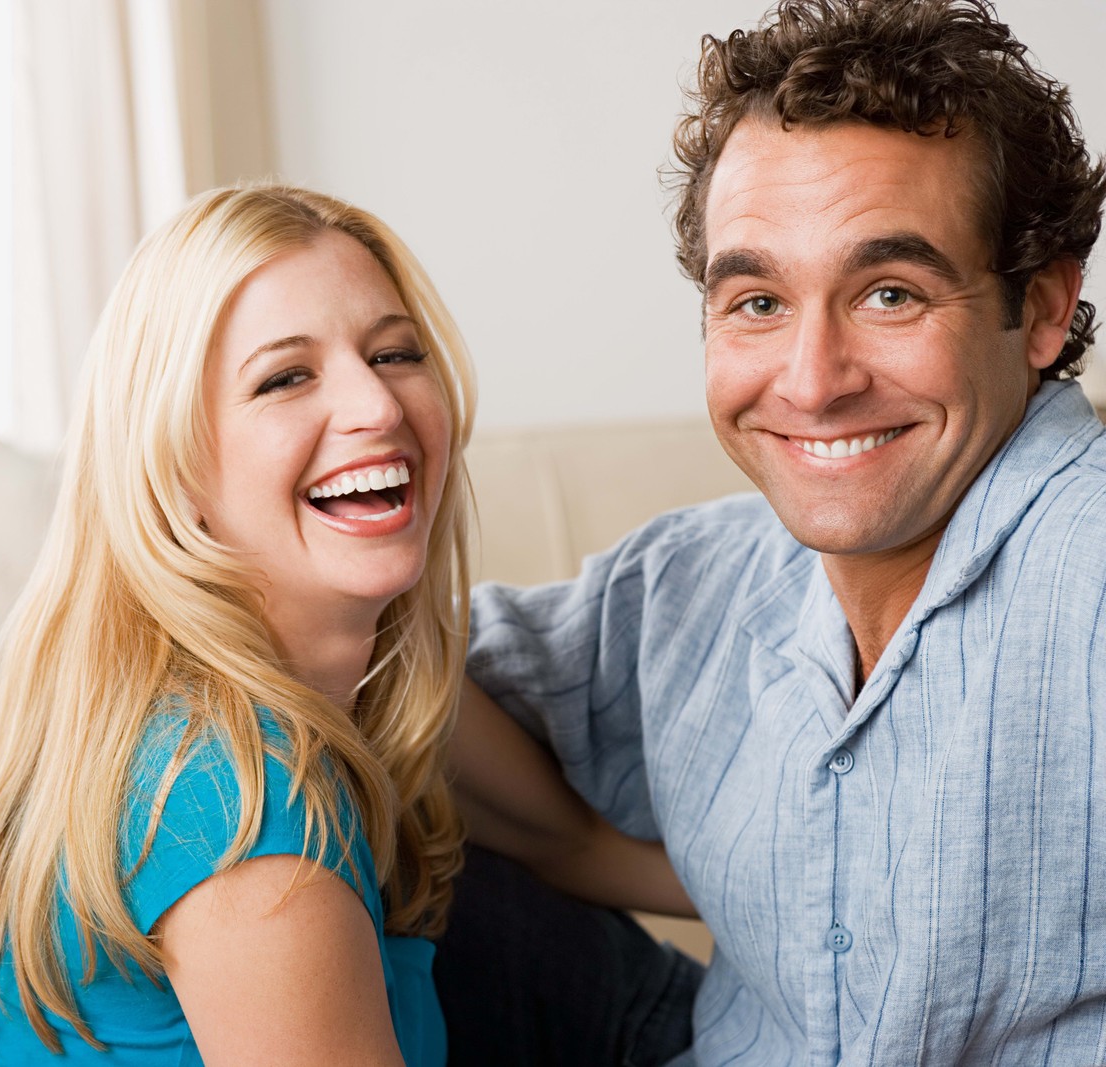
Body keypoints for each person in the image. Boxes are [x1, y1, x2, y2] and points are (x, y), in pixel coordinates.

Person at [0, 184, 691, 1066]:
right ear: (174, 468)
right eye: (285, 376)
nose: (376, 407)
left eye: (396, 353)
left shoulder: (363, 686)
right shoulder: (238, 798)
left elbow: (562, 839)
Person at [455, 0, 1106, 1063]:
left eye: (888, 292)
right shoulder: (691, 580)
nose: (811, 380)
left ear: (1037, 309)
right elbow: (400, 686)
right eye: (756, 301)